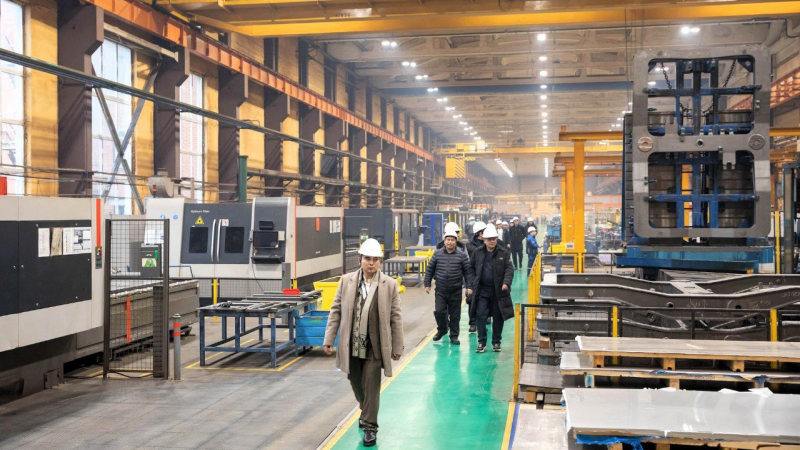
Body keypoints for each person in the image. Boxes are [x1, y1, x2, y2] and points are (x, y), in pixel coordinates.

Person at [323, 238, 404, 447]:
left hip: (374, 347)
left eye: (375, 259)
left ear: (380, 262)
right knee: (355, 381)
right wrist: (329, 338)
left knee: (372, 387)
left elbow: (395, 317)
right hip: (351, 344)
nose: (371, 263)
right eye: (367, 258)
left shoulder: (389, 285)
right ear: (360, 259)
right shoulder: (346, 281)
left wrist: (397, 346)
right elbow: (336, 311)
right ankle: (365, 409)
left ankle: (370, 427)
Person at [468, 224, 514, 353]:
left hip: (498, 292)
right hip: (482, 291)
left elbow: (509, 269)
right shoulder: (478, 252)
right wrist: (472, 283)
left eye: (494, 239)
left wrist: (506, 283)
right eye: (489, 239)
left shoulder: (503, 253)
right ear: (484, 240)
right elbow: (470, 268)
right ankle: (481, 342)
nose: (492, 241)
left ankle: (496, 342)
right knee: (480, 315)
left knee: (498, 317)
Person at [424, 228, 473, 345]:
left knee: (455, 315)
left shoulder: (461, 255)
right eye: (448, 240)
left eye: (452, 240)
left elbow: (467, 272)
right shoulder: (437, 254)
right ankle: (442, 329)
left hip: (455, 290)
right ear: (444, 241)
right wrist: (427, 284)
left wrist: (469, 286)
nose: (450, 242)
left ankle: (454, 336)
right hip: (441, 290)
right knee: (439, 312)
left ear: (456, 241)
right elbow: (430, 269)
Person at [464, 221, 486, 334]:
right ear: (480, 233)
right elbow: (468, 266)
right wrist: (468, 284)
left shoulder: (488, 244)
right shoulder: (469, 246)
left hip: (485, 277)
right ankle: (472, 323)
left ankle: (483, 322)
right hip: (474, 278)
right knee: (471, 300)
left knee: (485, 301)